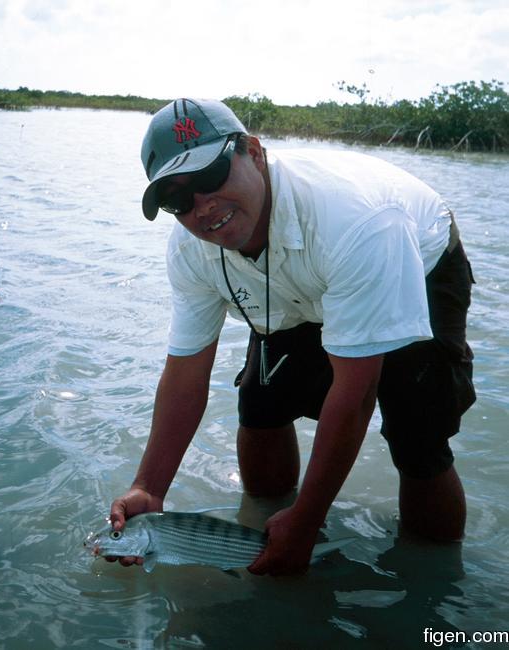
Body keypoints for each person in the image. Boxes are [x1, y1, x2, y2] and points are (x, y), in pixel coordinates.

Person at [108, 98, 476, 576]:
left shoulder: (357, 220)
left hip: (413, 259)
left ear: (254, 153)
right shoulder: (191, 250)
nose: (203, 206)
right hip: (299, 277)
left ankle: (436, 578)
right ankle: (266, 522)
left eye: (210, 177)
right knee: (261, 406)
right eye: (178, 200)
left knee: (417, 435)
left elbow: (357, 390)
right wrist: (148, 487)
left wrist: (308, 518)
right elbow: (185, 373)